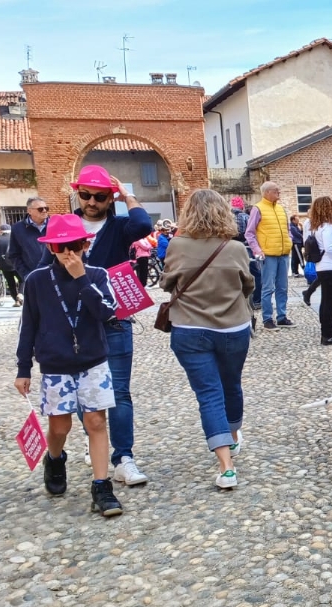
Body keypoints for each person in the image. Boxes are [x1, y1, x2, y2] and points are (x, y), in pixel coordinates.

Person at [14, 214, 122, 517]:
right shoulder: (36, 280)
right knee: (60, 425)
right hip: (56, 364)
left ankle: (102, 486)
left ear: (85, 244)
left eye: (74, 245)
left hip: (93, 362)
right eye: (61, 247)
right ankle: (55, 458)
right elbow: (28, 325)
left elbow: (106, 313)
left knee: (96, 422)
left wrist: (82, 280)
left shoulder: (97, 275)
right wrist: (23, 368)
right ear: (50, 248)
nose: (68, 253)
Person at [160, 190, 255, 487]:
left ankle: (226, 467)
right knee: (231, 385)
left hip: (190, 329)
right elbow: (248, 284)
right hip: (232, 327)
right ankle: (234, 435)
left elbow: (166, 282)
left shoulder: (177, 245)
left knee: (209, 394)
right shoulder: (235, 248)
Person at [72, 164, 153, 485]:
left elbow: (144, 224)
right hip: (75, 322)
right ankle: (98, 444)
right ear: (77, 193)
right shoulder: (65, 225)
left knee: (119, 391)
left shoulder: (120, 227)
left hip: (116, 316)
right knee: (84, 393)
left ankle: (123, 457)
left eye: (100, 196)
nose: (91, 201)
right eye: (86, 194)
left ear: (110, 198)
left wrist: (127, 194)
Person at [245, 182, 296, 331]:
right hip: (268, 254)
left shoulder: (280, 209)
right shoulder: (258, 208)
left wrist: (289, 240)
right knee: (268, 288)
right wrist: (257, 250)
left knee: (283, 287)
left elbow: (288, 229)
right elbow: (250, 233)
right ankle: (267, 319)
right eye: (276, 191)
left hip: (283, 253)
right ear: (267, 192)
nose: (278, 192)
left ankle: (281, 317)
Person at [304, 197, 332, 346]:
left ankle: (326, 333)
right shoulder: (327, 227)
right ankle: (328, 335)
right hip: (331, 266)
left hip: (322, 266)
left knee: (326, 302)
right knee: (330, 302)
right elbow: (330, 248)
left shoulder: (316, 226)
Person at [8, 197, 52, 279]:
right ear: (29, 211)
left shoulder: (55, 224)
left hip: (57, 275)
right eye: (40, 209)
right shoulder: (17, 228)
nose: (44, 211)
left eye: (46, 208)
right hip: (33, 277)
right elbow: (14, 255)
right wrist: (26, 274)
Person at [231, 197, 261, 311]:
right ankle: (257, 301)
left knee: (235, 274)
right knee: (255, 273)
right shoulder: (246, 217)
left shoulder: (228, 218)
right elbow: (252, 233)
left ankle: (238, 301)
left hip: (232, 248)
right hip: (246, 247)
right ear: (241, 206)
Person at [0, 225, 22, 306]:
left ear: (1, 231)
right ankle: (20, 294)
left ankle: (16, 300)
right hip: (17, 263)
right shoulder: (16, 238)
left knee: (11, 283)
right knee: (22, 280)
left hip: (4, 265)